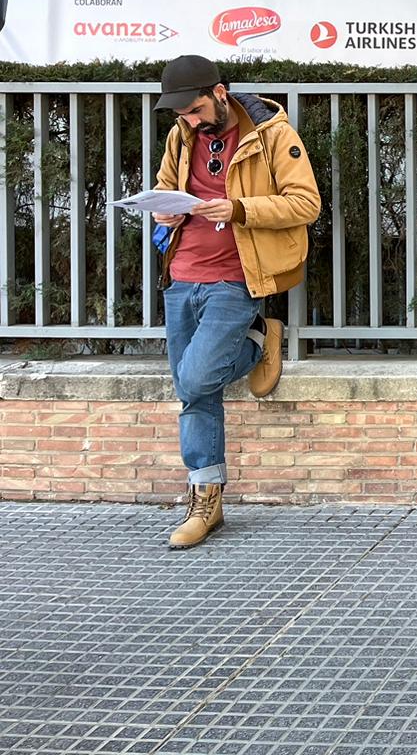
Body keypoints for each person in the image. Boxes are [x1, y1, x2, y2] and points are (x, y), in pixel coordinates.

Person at [152, 55, 321, 549]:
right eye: (183, 114)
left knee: (195, 376)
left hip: (237, 277)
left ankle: (257, 341)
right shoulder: (181, 136)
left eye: (197, 109)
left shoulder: (271, 132)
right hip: (181, 275)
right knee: (194, 392)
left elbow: (305, 202)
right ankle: (207, 501)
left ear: (220, 93)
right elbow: (166, 186)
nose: (191, 120)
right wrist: (165, 211)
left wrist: (240, 208)